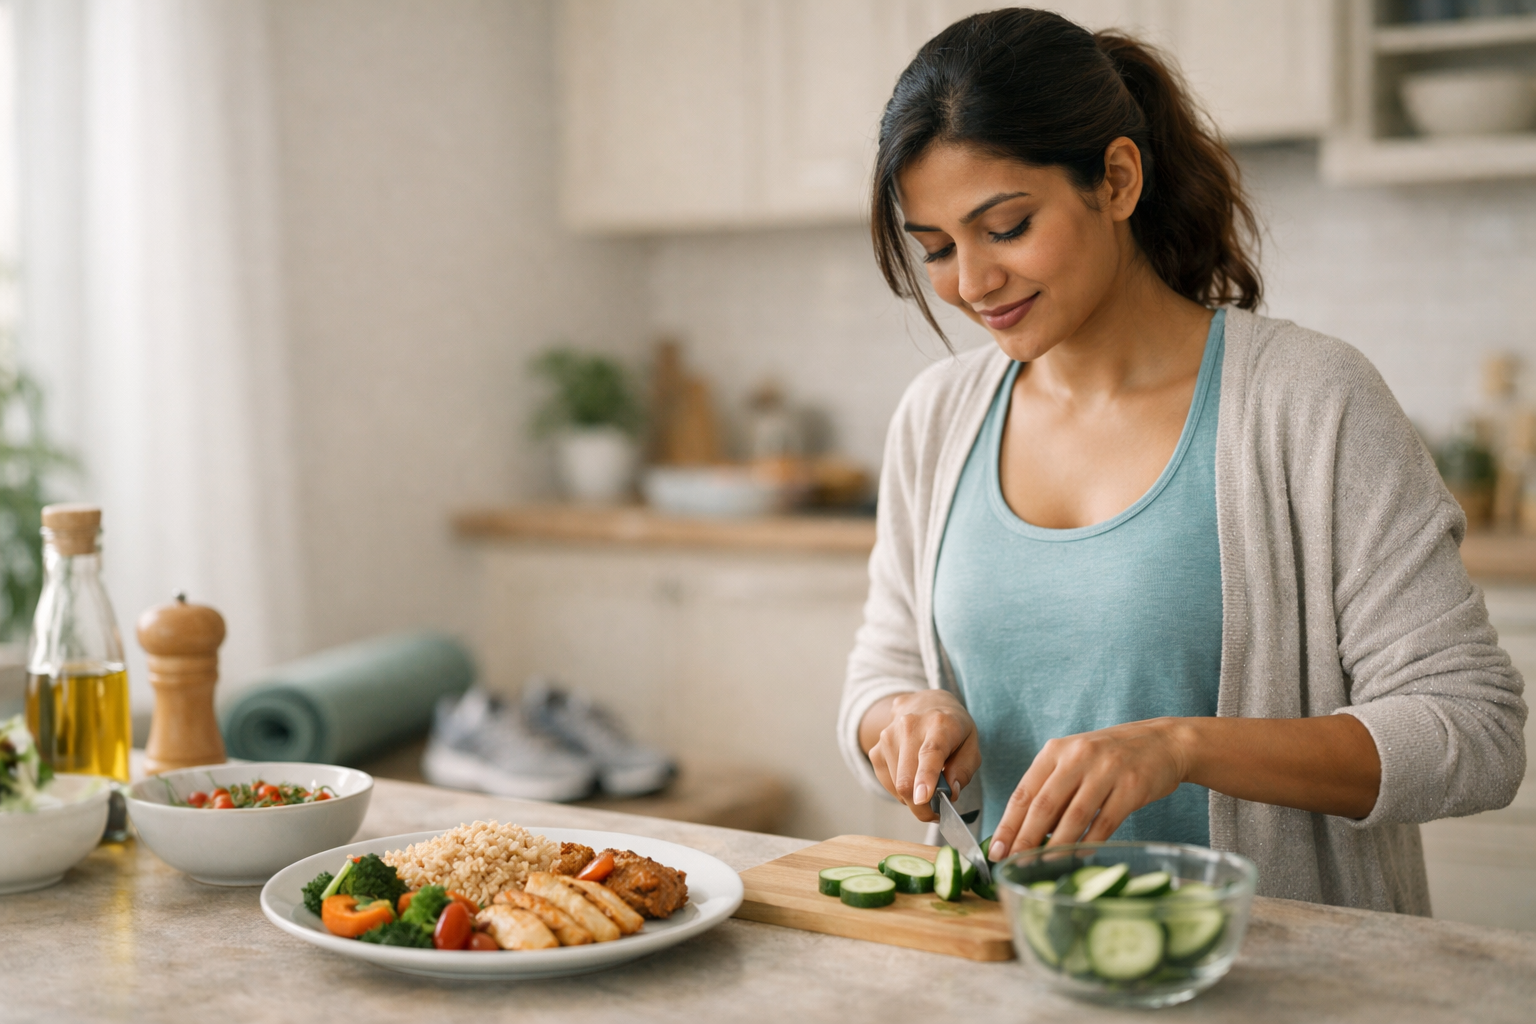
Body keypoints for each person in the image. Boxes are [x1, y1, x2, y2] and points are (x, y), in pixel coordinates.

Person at [838, 8, 1526, 914]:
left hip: (1276, 983)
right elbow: (880, 672)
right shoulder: (937, 418)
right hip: (1012, 968)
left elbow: (1475, 735)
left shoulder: (1311, 400)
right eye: (936, 249)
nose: (971, 282)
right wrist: (902, 719)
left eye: (1005, 227)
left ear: (1116, 179)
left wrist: (1183, 748)